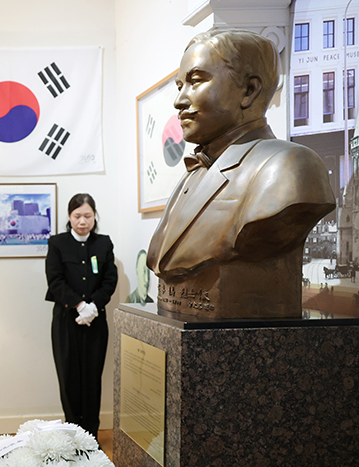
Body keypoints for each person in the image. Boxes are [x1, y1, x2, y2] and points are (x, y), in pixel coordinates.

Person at [146, 29, 335, 318]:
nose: (179, 100)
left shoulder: (289, 167)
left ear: (249, 90)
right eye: (180, 85)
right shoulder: (192, 176)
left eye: (196, 81)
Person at [45, 193, 117, 440]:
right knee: (69, 378)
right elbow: (55, 280)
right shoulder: (57, 243)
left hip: (96, 320)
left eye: (87, 215)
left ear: (95, 216)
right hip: (66, 320)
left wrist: (93, 307)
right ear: (69, 217)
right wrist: (78, 305)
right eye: (77, 216)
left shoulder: (104, 244)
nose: (82, 221)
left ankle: (91, 437)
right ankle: (73, 434)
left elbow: (110, 280)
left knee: (92, 378)